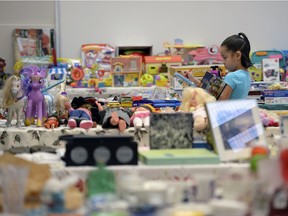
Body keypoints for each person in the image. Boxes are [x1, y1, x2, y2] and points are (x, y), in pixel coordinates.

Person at [186, 32, 252, 100]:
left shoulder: (232, 77)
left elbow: (221, 102)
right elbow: (217, 93)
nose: (223, 62)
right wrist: (194, 80)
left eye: (225, 57)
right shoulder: (246, 75)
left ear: (237, 55)